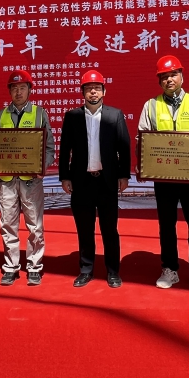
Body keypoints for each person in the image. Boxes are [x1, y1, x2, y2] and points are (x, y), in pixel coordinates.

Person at [138, 55, 189, 291]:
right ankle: (170, 268)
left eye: (173, 74)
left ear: (181, 76)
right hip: (164, 177)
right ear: (159, 80)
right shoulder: (151, 105)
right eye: (164, 76)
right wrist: (143, 164)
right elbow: (143, 137)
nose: (169, 79)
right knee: (166, 225)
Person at [59, 69, 130, 288]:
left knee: (110, 230)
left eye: (97, 88)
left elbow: (124, 147)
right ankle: (86, 270)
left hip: (107, 181)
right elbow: (65, 149)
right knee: (84, 229)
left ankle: (113, 271)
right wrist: (65, 177)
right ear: (82, 92)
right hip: (82, 181)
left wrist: (124, 175)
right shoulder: (72, 116)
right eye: (89, 89)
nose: (93, 92)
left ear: (104, 91)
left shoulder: (114, 115)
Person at [0, 70, 55, 286]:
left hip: (31, 180)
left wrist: (42, 167)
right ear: (9, 91)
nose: (18, 92)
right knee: (8, 225)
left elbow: (49, 148)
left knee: (35, 226)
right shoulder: (0, 115)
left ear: (29, 90)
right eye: (14, 88)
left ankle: (34, 266)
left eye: (22, 88)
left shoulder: (39, 114)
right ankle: (11, 267)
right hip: (7, 181)